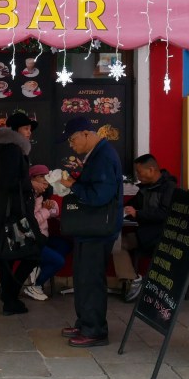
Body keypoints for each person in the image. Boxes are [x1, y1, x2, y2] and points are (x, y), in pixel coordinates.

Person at [56, 115, 122, 347]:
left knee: (92, 280)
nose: (71, 144)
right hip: (88, 230)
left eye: (73, 139)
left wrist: (74, 186)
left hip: (98, 230)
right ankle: (84, 323)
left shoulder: (104, 156)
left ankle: (95, 330)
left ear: (86, 134)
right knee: (82, 278)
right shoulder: (96, 154)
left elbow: (100, 195)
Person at [0, 112, 40, 315]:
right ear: (16, 130)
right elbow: (6, 181)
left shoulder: (11, 149)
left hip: (12, 210)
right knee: (31, 252)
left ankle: (9, 295)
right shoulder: (12, 151)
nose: (29, 133)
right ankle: (10, 297)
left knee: (9, 255)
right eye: (26, 128)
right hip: (15, 212)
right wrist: (31, 183)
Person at [112, 154, 177, 303]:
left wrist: (138, 213)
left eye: (139, 172)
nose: (137, 175)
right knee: (116, 243)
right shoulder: (145, 188)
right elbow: (133, 204)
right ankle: (133, 280)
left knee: (120, 243)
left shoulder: (169, 188)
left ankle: (135, 283)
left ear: (151, 170)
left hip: (162, 235)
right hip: (145, 233)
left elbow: (165, 214)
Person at [22, 164, 71, 302]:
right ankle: (36, 285)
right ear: (32, 179)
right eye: (41, 177)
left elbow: (54, 213)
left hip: (43, 237)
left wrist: (52, 206)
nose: (45, 180)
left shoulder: (42, 195)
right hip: (31, 240)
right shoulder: (27, 198)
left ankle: (39, 269)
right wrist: (45, 210)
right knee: (58, 261)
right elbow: (30, 223)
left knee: (65, 245)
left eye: (46, 177)